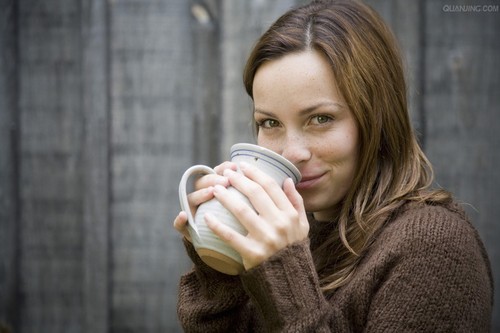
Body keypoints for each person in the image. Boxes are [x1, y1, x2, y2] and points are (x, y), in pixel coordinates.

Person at [173, 0, 493, 331]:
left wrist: (286, 275)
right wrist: (221, 268)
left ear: (376, 120)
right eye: (270, 123)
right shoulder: (281, 240)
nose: (291, 152)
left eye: (320, 119)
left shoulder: (432, 248)